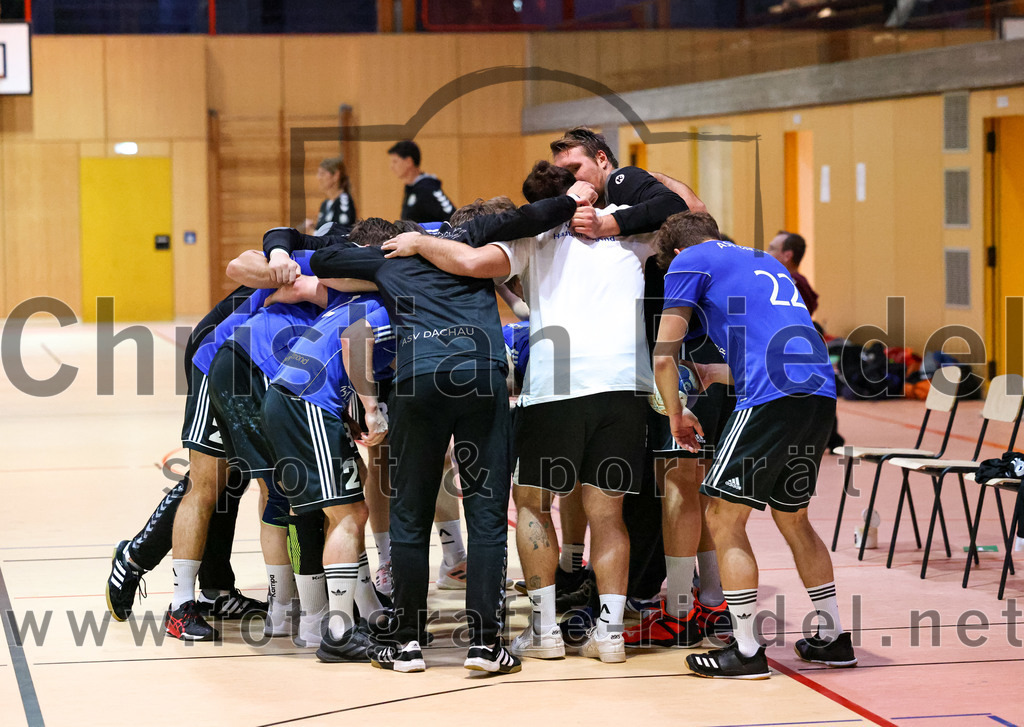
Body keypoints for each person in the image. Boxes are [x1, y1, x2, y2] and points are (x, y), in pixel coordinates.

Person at [381, 162, 668, 665]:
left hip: (557, 385)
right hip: (625, 384)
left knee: (533, 504)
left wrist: (420, 243)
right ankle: (610, 634)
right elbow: (687, 207)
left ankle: (545, 630)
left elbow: (470, 261)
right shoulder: (628, 226)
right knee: (608, 514)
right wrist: (622, 182)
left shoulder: (532, 235)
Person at [307, 191, 589, 674]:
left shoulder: (389, 258)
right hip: (480, 376)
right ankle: (485, 645)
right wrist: (570, 199)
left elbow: (322, 260)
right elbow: (530, 216)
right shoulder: (472, 242)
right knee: (486, 516)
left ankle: (407, 643)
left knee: (410, 515)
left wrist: (378, 253)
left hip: (418, 380)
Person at [654, 210, 857, 679]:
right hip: (818, 394)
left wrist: (676, 414)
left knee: (723, 517)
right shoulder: (761, 260)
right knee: (794, 518)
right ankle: (832, 637)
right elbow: (774, 345)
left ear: (678, 252)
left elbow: (664, 356)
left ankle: (745, 650)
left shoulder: (689, 260)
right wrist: (714, 372)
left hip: (771, 397)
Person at [387, 140, 454, 223]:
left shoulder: (428, 187)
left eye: (395, 161)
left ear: (408, 162)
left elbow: (452, 217)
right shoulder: (411, 188)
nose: (391, 167)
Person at [306, 156, 357, 234]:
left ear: (336, 175)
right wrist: (313, 228)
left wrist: (313, 233)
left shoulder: (344, 201)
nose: (318, 177)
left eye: (322, 174)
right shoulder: (325, 204)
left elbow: (341, 234)